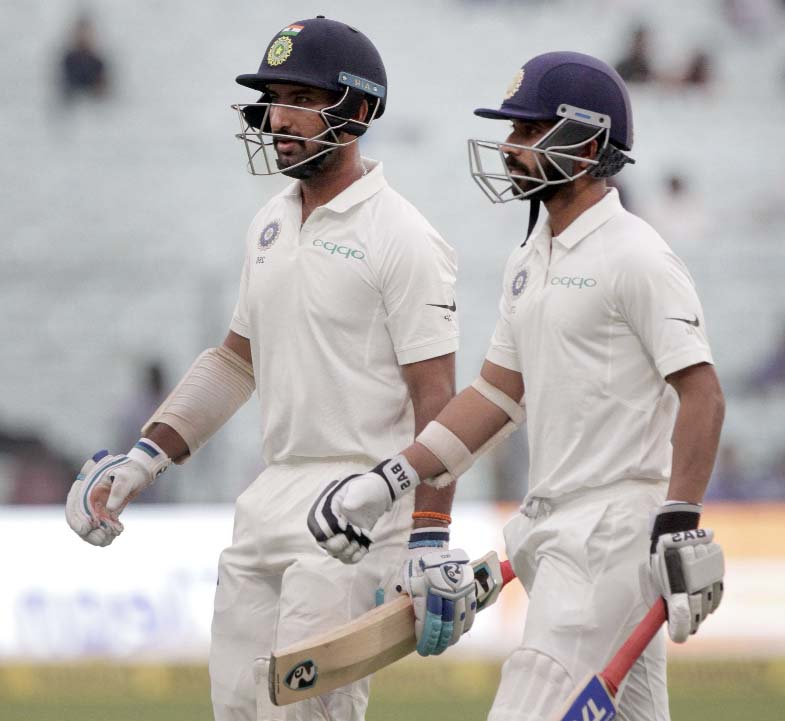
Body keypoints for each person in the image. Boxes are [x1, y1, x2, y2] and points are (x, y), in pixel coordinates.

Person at [65, 16, 463, 721]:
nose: (280, 117)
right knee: (238, 711)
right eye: (274, 97)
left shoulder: (404, 236)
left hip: (354, 507)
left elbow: (437, 397)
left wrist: (430, 530)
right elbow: (234, 361)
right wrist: (145, 456)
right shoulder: (269, 223)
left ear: (360, 110)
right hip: (270, 494)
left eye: (302, 98)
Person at [309, 51, 727, 721]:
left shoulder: (636, 254)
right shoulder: (530, 257)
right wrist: (387, 478)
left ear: (587, 143)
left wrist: (679, 521)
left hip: (608, 536)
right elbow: (493, 399)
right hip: (553, 527)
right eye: (512, 132)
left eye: (528, 132)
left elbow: (701, 391)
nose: (508, 148)